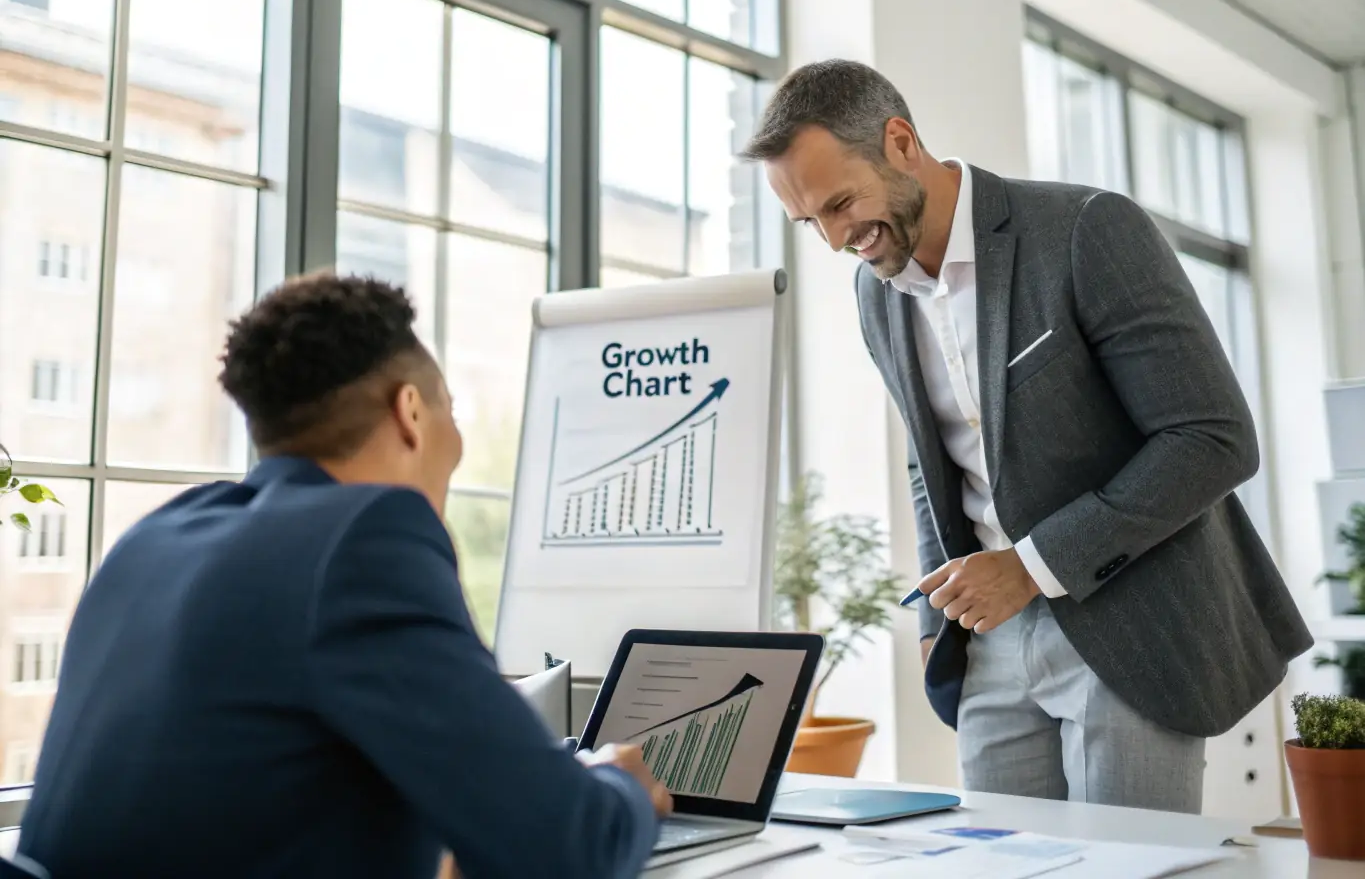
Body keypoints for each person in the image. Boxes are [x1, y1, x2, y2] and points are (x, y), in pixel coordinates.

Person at [742, 59, 1311, 813]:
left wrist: (1031, 566)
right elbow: (929, 458)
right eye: (808, 220)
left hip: (1127, 622)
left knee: (1121, 872)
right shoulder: (874, 293)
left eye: (840, 203)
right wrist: (931, 616)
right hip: (989, 642)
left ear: (900, 141)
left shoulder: (1083, 230)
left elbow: (1211, 437)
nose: (833, 237)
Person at [18, 274, 670, 878]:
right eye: (451, 411)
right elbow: (566, 848)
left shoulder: (154, 538)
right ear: (410, 413)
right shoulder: (364, 538)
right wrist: (621, 788)